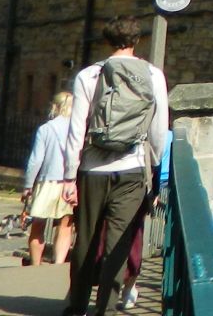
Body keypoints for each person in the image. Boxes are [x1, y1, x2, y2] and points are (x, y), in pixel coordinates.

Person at [62, 17, 168, 316]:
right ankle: (106, 309)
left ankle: (77, 305)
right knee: (118, 243)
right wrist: (155, 164)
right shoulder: (152, 74)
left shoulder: (89, 75)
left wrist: (70, 175)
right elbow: (159, 128)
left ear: (107, 41)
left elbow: (76, 128)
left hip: (92, 168)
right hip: (132, 168)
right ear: (137, 41)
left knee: (86, 239)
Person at [22, 92, 77, 266]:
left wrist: (28, 185)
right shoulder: (78, 129)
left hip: (47, 182)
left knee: (38, 226)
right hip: (69, 183)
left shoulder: (46, 128)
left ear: (55, 106)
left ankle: (36, 265)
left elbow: (36, 159)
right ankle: (58, 264)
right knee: (65, 225)